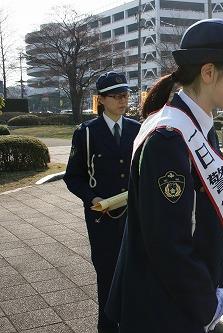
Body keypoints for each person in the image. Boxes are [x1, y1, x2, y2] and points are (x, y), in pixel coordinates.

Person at [105, 19, 223, 333]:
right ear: (208, 72)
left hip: (183, 300)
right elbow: (168, 244)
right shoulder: (168, 138)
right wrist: (205, 304)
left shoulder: (197, 125)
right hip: (164, 309)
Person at [64, 72, 141, 333]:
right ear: (102, 100)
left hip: (134, 216)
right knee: (107, 276)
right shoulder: (86, 133)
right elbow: (73, 177)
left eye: (126, 95)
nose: (123, 101)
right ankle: (107, 328)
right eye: (116, 96)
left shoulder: (137, 129)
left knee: (135, 273)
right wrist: (92, 197)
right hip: (102, 219)